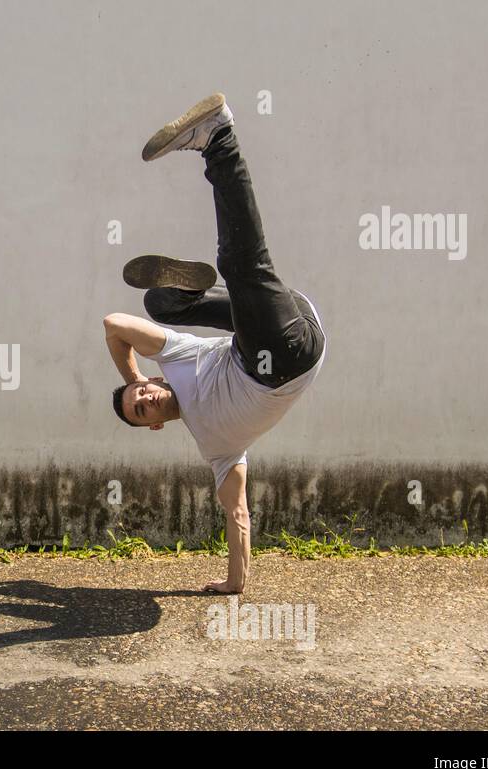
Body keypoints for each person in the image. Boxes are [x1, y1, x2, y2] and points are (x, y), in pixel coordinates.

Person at [103, 93, 326, 594]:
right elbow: (238, 512)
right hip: (286, 357)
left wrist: (132, 378)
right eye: (141, 411)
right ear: (156, 425)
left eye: (140, 396)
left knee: (160, 307)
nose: (144, 400)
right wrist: (234, 583)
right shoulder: (216, 447)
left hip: (282, 315)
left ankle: (192, 289)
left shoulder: (178, 360)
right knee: (243, 266)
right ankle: (218, 138)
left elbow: (113, 323)